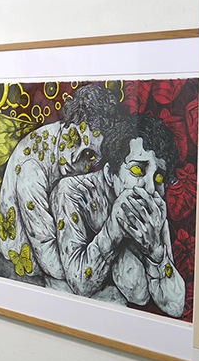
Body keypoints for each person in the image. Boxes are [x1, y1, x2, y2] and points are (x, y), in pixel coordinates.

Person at [51, 113, 185, 316]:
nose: (150, 188)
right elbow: (80, 283)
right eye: (138, 171)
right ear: (109, 174)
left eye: (159, 177)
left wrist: (155, 252)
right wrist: (112, 231)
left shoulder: (152, 207)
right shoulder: (73, 193)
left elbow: (175, 307)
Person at [0, 84, 124, 281]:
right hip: (22, 273)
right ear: (67, 121)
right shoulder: (32, 167)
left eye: (89, 155)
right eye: (74, 139)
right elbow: (50, 259)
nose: (74, 158)